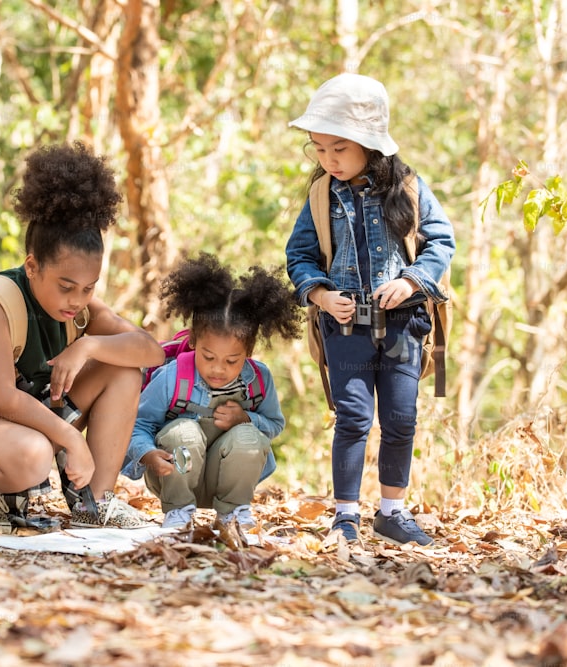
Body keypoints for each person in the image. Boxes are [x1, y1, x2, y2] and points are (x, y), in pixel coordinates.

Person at [0, 142, 165, 532]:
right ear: (32, 266)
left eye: (88, 288)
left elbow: (151, 352)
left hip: (24, 418)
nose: (77, 300)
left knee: (123, 370)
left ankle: (93, 504)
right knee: (34, 454)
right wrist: (73, 441)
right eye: (66, 286)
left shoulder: (79, 312)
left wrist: (89, 344)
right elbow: (3, 399)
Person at [284, 73, 455, 546]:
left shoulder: (409, 188)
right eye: (319, 149)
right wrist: (320, 295)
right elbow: (298, 255)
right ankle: (345, 515)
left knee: (401, 418)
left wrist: (410, 281)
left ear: (369, 144)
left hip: (402, 323)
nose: (328, 159)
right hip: (345, 325)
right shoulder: (322, 196)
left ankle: (392, 512)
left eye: (339, 147)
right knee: (353, 416)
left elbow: (440, 242)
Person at [122, 254, 301, 531]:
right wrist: (146, 453)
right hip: (175, 475)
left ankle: (233, 513)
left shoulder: (258, 380)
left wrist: (246, 419)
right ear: (193, 340)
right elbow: (138, 424)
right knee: (184, 432)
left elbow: (275, 425)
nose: (218, 369)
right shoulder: (173, 377)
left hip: (228, 477)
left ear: (249, 352)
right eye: (207, 357)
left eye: (232, 361)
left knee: (249, 437)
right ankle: (179, 515)